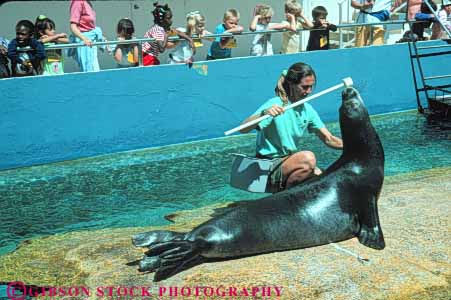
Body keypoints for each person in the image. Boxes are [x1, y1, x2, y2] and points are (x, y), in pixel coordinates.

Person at [239, 62, 343, 193]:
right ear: (292, 84)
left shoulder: (308, 110)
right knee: (308, 159)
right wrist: (264, 113)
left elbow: (329, 139)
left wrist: (355, 146)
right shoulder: (275, 104)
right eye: (304, 87)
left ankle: (288, 198)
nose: (309, 91)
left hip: (286, 163)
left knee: (321, 175)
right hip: (265, 168)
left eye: (311, 87)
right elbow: (243, 128)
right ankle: (284, 200)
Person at [69, 0, 108, 72]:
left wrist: (101, 37)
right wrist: (84, 39)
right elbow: (73, 26)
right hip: (85, 44)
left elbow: (89, 26)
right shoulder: (78, 2)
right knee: (89, 71)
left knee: (94, 70)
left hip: (91, 43)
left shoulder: (88, 3)